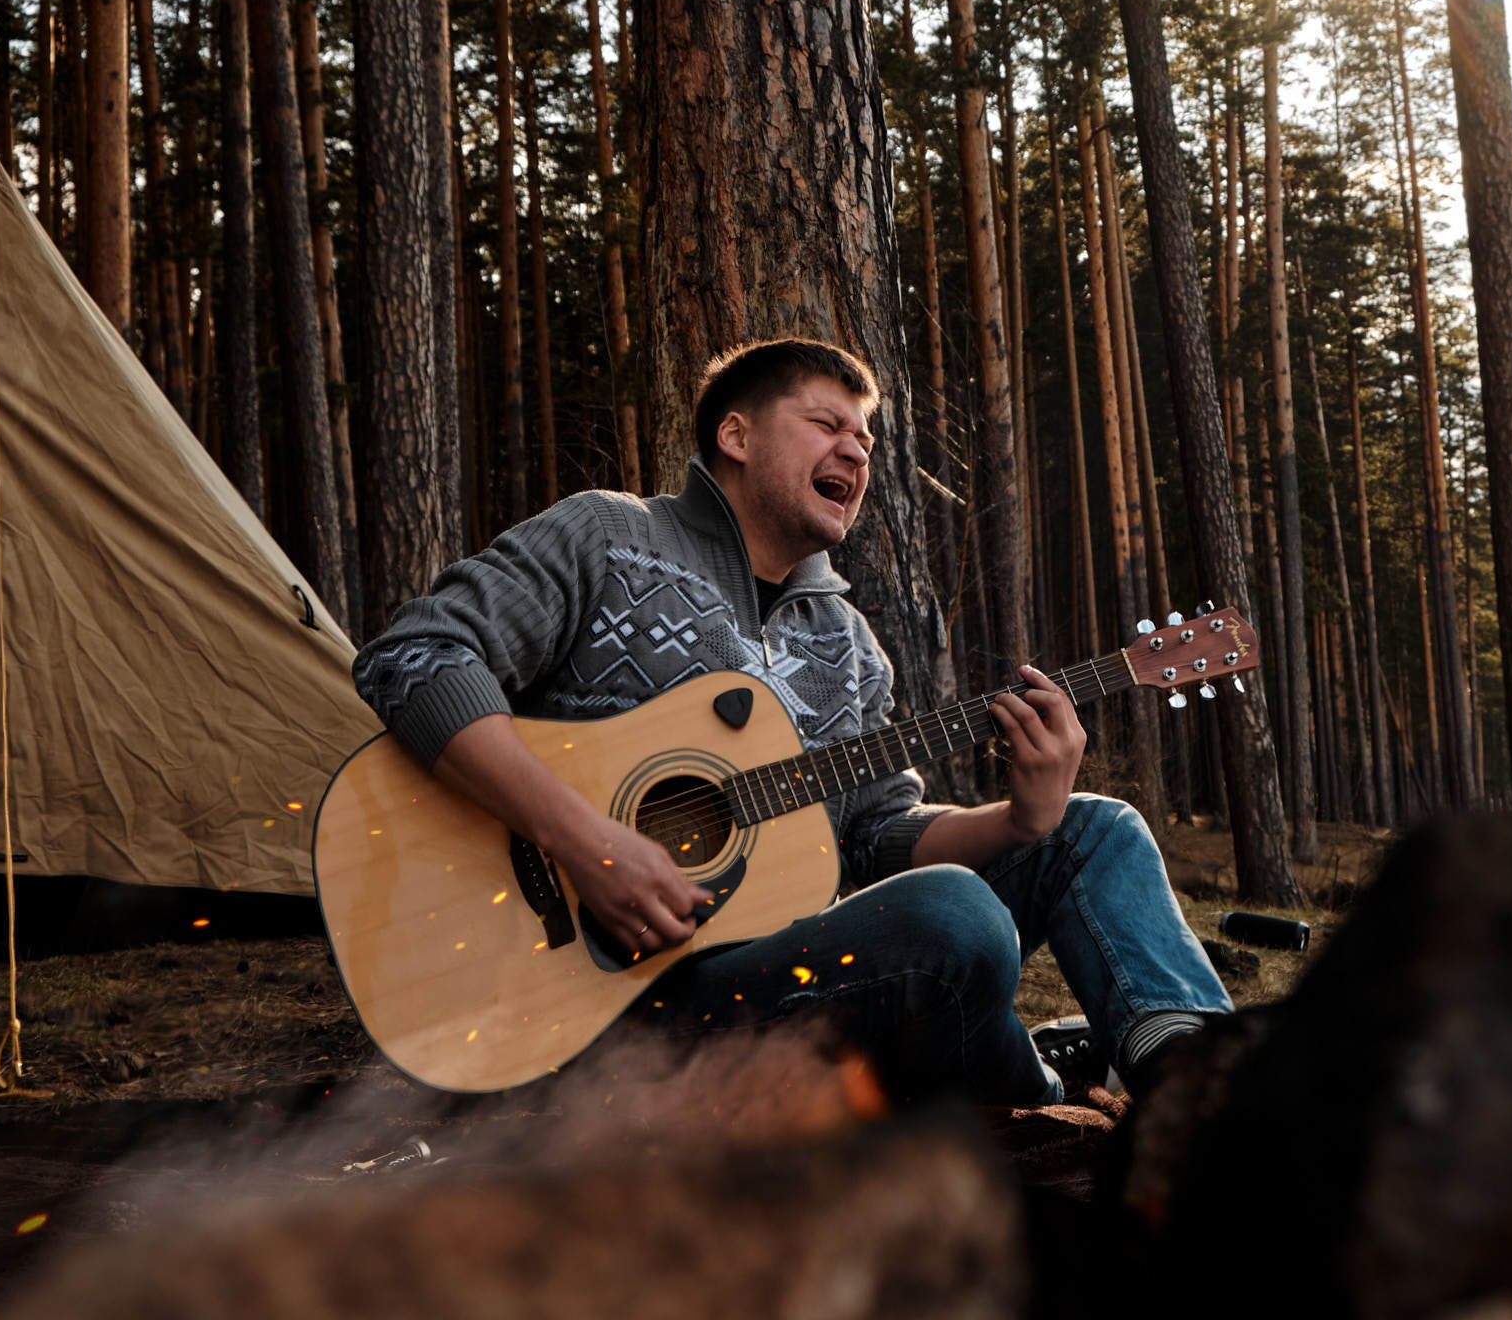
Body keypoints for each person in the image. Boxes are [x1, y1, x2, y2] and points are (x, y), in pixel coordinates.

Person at [352, 338, 1230, 1104]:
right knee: (957, 920)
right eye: (827, 425)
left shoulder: (848, 644)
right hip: (603, 1002)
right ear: (735, 435)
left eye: (867, 439)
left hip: (781, 977)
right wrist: (587, 841)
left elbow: (878, 839)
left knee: (1093, 831)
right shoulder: (603, 537)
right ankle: (1032, 1086)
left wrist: (1020, 818)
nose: (857, 449)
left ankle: (1187, 1077)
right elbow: (416, 658)